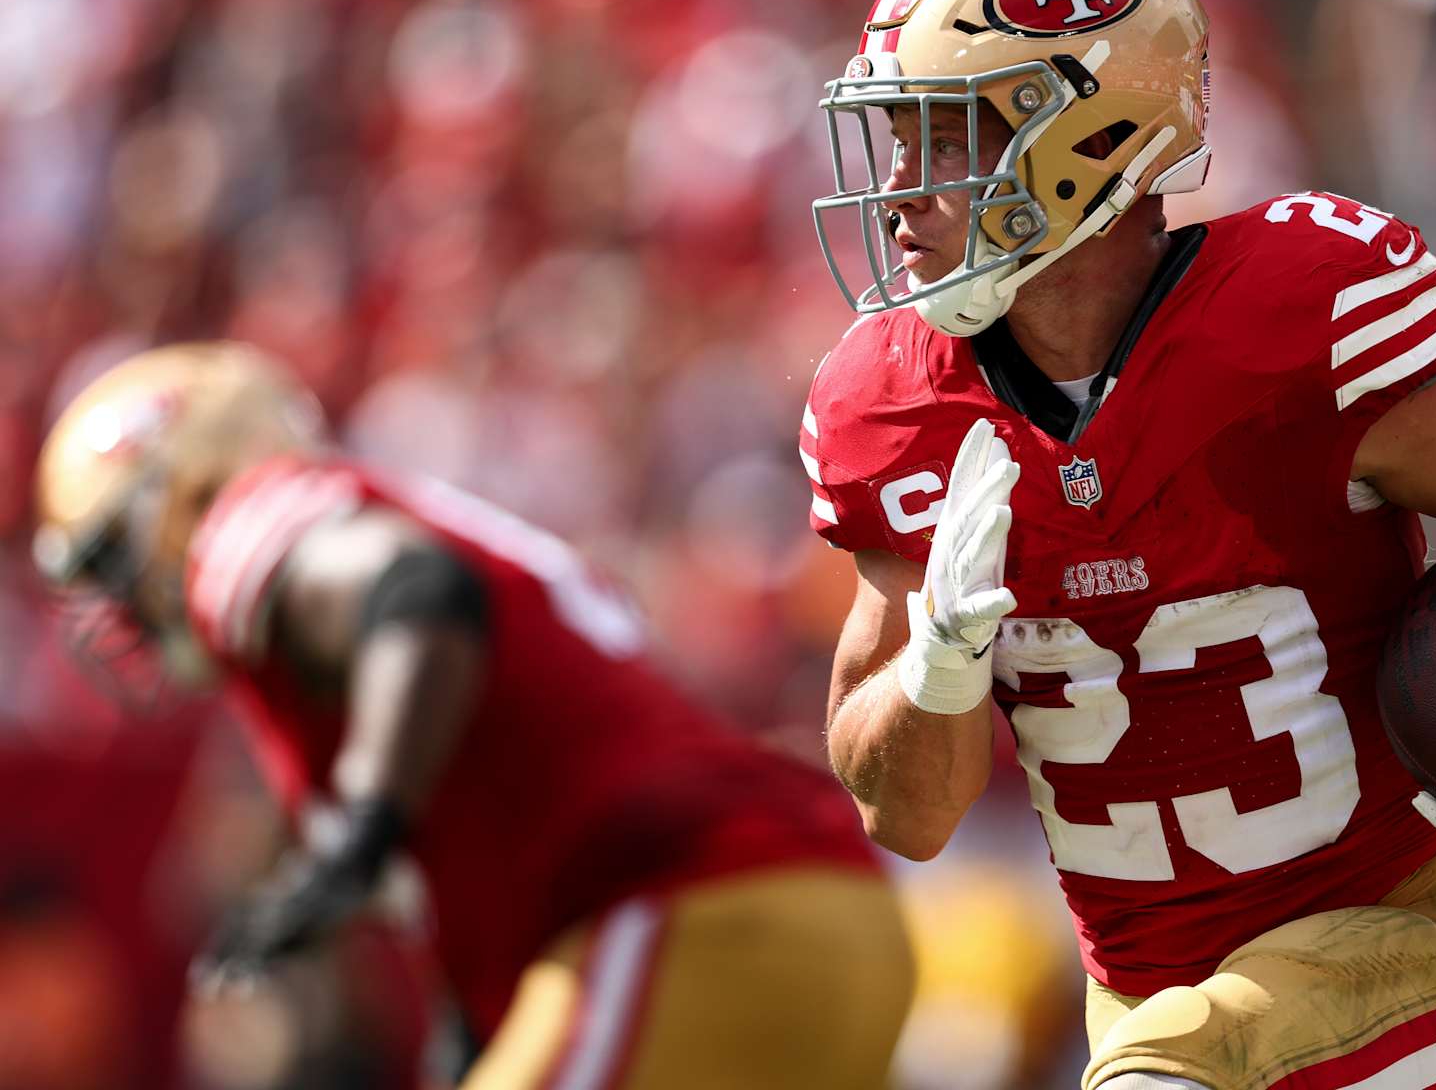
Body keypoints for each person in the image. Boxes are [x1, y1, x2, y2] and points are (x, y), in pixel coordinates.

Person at [801, 0, 1436, 1090]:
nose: (902, 193)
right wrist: (940, 661)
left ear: (1084, 130)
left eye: (945, 138)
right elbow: (905, 816)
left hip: (1414, 959)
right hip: (1148, 1005)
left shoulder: (1294, 323)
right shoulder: (893, 406)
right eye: (895, 140)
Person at [34, 341, 914, 1090]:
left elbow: (418, 592)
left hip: (694, 917)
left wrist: (363, 830)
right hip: (797, 922)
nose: (115, 607)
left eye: (115, 556)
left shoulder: (262, 521)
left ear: (193, 493)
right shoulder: (341, 624)